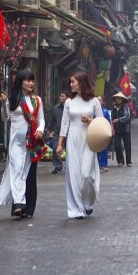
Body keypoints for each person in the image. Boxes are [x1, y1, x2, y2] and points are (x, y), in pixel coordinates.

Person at [0, 69, 45, 218]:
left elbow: (41, 119)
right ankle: (18, 203)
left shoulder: (36, 100)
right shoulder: (13, 99)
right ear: (20, 81)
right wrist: (4, 104)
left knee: (28, 173)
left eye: (32, 80)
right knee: (17, 170)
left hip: (32, 142)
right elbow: (6, 118)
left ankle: (27, 206)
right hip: (16, 142)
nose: (30, 83)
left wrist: (40, 129)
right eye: (27, 80)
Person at [56, 71, 104, 219]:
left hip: (89, 139)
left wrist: (90, 121)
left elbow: (102, 122)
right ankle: (76, 208)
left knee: (86, 174)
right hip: (73, 140)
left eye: (73, 82)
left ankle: (88, 202)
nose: (70, 84)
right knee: (74, 175)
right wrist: (60, 144)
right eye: (70, 82)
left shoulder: (94, 101)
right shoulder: (69, 102)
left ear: (81, 83)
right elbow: (65, 124)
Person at [111, 92, 132, 167]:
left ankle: (128, 162)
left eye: (120, 98)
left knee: (127, 146)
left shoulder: (125, 107)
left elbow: (127, 116)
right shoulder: (113, 107)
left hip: (125, 129)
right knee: (117, 145)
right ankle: (120, 161)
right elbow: (112, 117)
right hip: (117, 129)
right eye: (117, 98)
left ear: (122, 100)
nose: (118, 100)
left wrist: (118, 120)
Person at [49, 91, 68, 174]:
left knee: (70, 149)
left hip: (68, 132)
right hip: (57, 132)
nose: (60, 97)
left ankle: (70, 166)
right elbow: (52, 119)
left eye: (62, 96)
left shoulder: (70, 108)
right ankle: (58, 166)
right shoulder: (56, 108)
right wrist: (49, 129)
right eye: (60, 96)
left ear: (67, 98)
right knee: (55, 148)